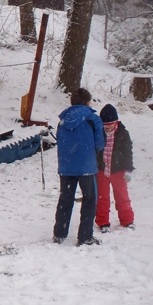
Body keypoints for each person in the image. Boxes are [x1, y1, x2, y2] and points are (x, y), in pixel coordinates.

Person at [52, 88, 105, 246]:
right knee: (89, 199)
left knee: (65, 199)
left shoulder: (62, 120)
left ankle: (59, 234)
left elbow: (60, 142)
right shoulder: (92, 118)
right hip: (86, 166)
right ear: (88, 102)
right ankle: (84, 236)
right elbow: (100, 143)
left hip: (66, 166)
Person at [96, 104, 135, 233]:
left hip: (118, 170)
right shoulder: (99, 132)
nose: (107, 127)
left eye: (110, 125)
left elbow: (128, 152)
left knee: (122, 195)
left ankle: (127, 220)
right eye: (104, 125)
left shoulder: (123, 134)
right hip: (102, 169)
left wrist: (128, 170)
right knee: (102, 197)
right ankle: (103, 222)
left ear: (116, 122)